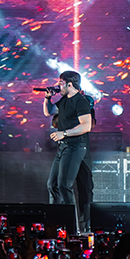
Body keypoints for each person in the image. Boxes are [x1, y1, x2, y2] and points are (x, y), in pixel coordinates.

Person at [43, 70, 93, 235]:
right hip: (63, 147)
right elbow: (49, 112)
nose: (58, 86)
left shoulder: (81, 101)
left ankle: (70, 227)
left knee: (64, 185)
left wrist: (63, 133)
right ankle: (56, 222)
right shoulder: (64, 100)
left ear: (69, 84)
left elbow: (86, 125)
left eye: (61, 83)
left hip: (75, 146)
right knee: (52, 184)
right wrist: (47, 98)